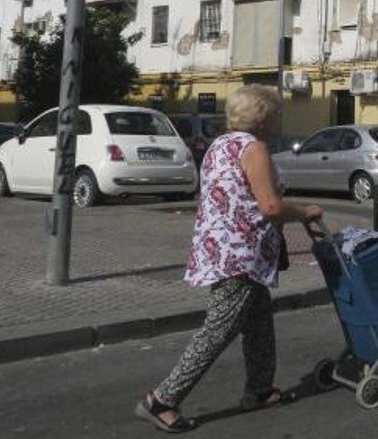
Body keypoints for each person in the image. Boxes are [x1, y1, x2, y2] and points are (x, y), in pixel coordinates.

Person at [136, 85, 323, 433]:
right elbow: (270, 206)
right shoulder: (254, 148)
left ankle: (259, 389)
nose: (279, 118)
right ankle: (162, 399)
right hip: (240, 256)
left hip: (224, 250)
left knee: (260, 324)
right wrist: (305, 212)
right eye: (276, 112)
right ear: (264, 116)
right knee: (217, 331)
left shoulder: (220, 145)